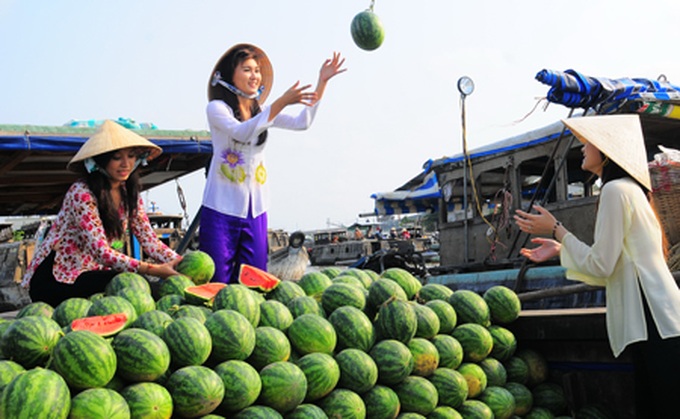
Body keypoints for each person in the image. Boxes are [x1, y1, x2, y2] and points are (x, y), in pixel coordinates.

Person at [513, 114, 680, 418]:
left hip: (652, 315)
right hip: (660, 314)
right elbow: (617, 263)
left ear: (606, 150)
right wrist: (562, 249)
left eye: (587, 143)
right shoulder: (629, 189)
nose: (582, 149)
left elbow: (603, 266)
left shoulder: (616, 191)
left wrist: (556, 229)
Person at [200, 43, 346, 283]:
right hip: (220, 208)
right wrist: (281, 102)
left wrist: (323, 82)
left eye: (257, 70)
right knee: (217, 281)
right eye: (247, 69)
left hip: (255, 209)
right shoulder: (217, 109)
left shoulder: (264, 111)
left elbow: (303, 122)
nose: (254, 76)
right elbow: (241, 132)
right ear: (229, 75)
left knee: (255, 280)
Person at [22, 120, 183, 307]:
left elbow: (149, 241)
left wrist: (180, 262)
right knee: (138, 286)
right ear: (99, 161)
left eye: (131, 156)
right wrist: (153, 270)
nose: (126, 164)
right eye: (117, 157)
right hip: (57, 279)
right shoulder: (81, 193)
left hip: (89, 274)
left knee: (141, 287)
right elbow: (101, 252)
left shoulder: (129, 194)